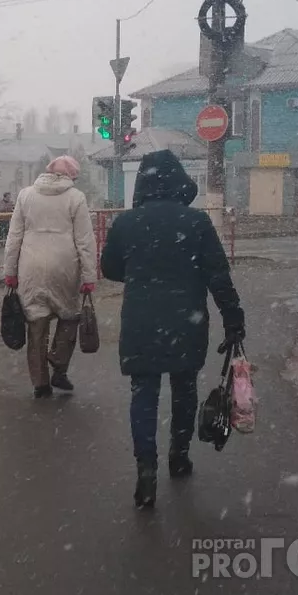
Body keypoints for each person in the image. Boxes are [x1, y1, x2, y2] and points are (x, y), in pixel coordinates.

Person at [100, 150, 245, 509]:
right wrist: (233, 319)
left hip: (140, 321)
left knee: (143, 394)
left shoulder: (126, 223)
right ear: (180, 181)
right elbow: (218, 276)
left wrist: (141, 271)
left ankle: (146, 469)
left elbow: (110, 269)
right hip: (186, 320)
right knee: (184, 390)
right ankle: (179, 456)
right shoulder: (196, 222)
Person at [2, 156, 97, 399]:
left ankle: (40, 383)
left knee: (36, 324)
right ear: (71, 175)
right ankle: (58, 361)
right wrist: (89, 276)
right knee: (70, 316)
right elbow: (85, 241)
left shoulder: (25, 195)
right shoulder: (76, 198)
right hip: (64, 266)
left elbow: (14, 237)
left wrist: (10, 272)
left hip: (30, 266)